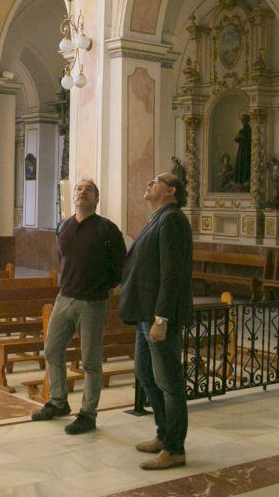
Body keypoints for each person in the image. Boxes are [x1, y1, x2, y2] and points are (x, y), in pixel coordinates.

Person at [30, 178, 126, 435]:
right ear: (73, 197)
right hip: (65, 297)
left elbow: (120, 264)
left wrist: (107, 288)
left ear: (97, 199)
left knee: (91, 361)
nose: (83, 193)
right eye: (79, 189)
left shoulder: (106, 229)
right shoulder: (64, 227)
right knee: (52, 349)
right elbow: (63, 259)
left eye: (89, 190)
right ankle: (58, 401)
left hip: (93, 302)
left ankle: (88, 414)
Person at [119, 172, 193, 470]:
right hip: (144, 314)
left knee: (169, 382)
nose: (149, 183)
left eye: (157, 180)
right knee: (146, 374)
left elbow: (172, 273)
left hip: (159, 317)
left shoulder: (172, 220)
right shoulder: (158, 218)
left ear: (171, 191)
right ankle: (163, 435)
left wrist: (161, 318)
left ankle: (175, 448)